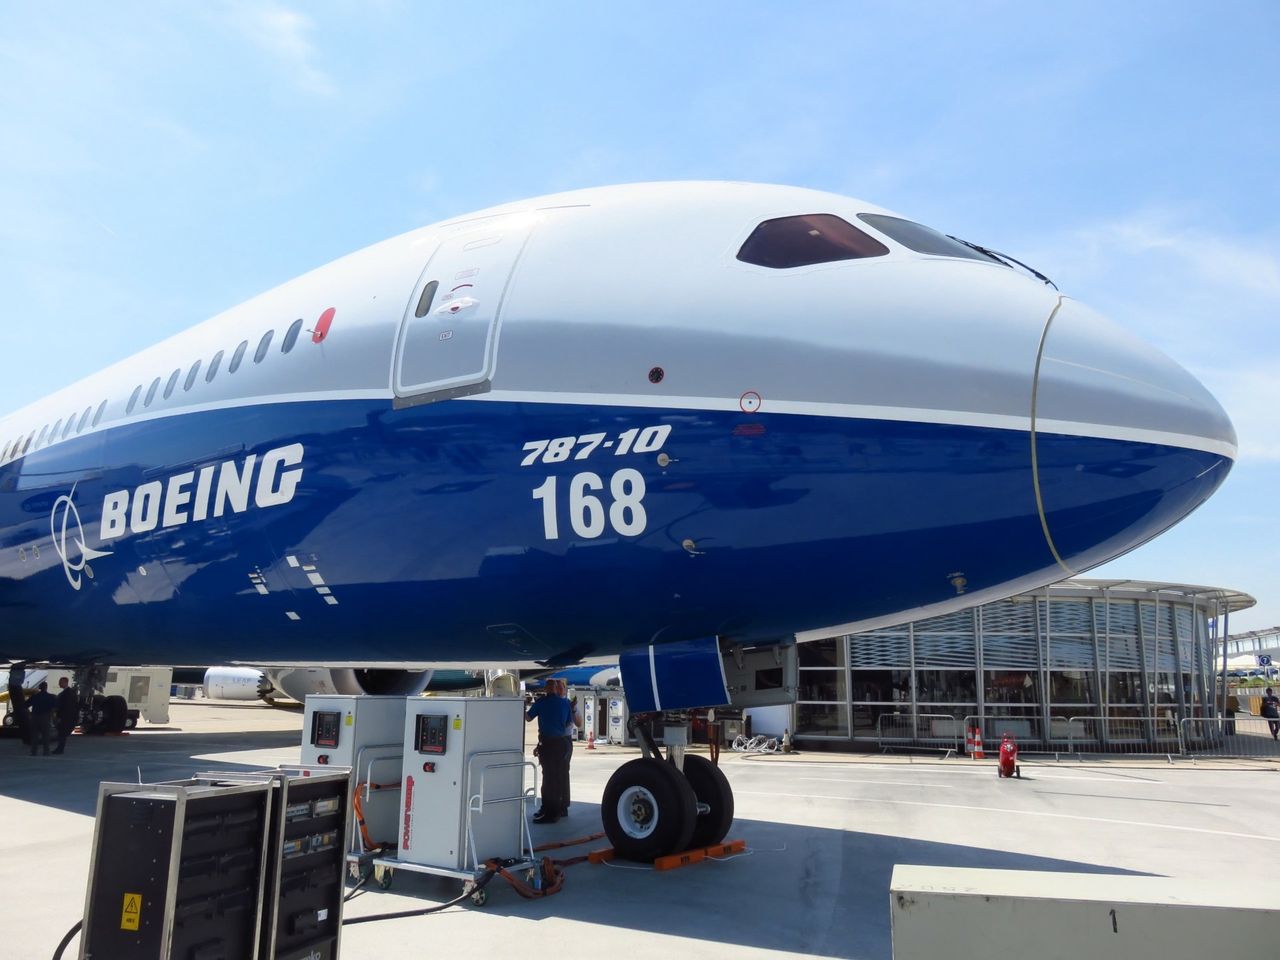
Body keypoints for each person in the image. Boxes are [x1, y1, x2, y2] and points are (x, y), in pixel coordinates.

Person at [525, 678, 578, 823]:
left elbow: (528, 718)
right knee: (559, 777)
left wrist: (519, 705)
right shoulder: (565, 703)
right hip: (561, 743)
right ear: (555, 689)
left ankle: (550, 812)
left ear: (546, 689)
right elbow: (569, 722)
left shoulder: (541, 703)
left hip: (548, 743)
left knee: (548, 779)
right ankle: (559, 808)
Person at [26, 681, 57, 757]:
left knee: (34, 735)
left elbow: (26, 705)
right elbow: (56, 706)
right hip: (45, 717)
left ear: (39, 688)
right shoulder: (51, 697)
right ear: (46, 687)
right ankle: (46, 751)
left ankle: (33, 751)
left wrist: (30, 714)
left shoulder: (35, 696)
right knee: (46, 735)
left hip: (35, 717)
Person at [53, 677, 78, 755]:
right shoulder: (70, 693)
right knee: (62, 734)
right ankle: (59, 748)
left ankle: (60, 749)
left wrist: (60, 717)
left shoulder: (67, 694)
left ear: (65, 682)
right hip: (67, 717)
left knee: (62, 734)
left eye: (61, 682)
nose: (59, 684)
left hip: (65, 718)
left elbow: (66, 707)